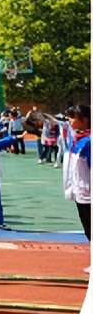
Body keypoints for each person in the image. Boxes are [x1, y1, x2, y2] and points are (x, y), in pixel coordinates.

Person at [61, 105, 90, 248]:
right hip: (80, 193)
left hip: (88, 193)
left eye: (73, 118)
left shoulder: (88, 142)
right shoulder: (77, 139)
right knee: (88, 230)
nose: (70, 121)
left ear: (84, 120)